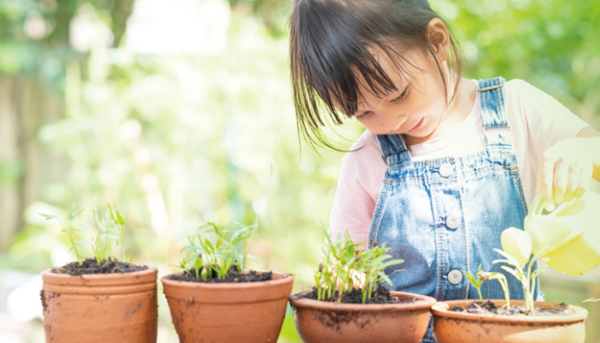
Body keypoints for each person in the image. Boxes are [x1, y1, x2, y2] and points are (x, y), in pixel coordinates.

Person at [289, 0, 600, 341]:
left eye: (399, 94)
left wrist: (582, 149)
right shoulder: (366, 158)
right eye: (364, 113)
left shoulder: (517, 109)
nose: (391, 121)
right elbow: (349, 274)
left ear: (436, 42)